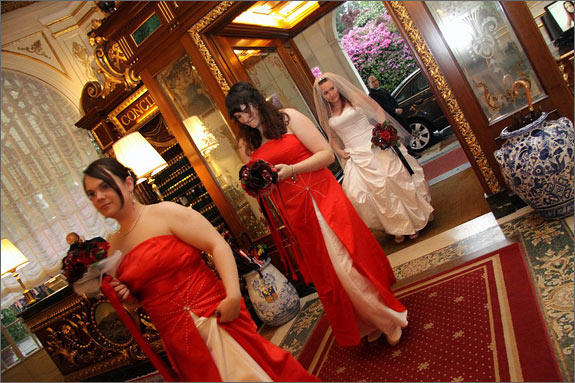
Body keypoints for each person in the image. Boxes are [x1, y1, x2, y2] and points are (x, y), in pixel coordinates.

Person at [82, 157, 316, 382]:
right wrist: (129, 297)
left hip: (212, 316)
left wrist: (233, 296)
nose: (99, 197)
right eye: (92, 194)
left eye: (105, 186)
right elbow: (137, 302)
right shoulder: (112, 247)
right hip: (177, 338)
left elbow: (217, 245)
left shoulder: (165, 213)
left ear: (128, 182)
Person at [226, 82, 408, 347]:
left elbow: (326, 155)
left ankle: (387, 317)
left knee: (347, 261)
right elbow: (264, 184)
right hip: (295, 211)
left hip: (322, 196)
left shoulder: (287, 118)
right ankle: (366, 320)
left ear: (257, 101)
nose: (246, 117)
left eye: (248, 108)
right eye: (239, 115)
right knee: (329, 273)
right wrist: (259, 189)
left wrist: (292, 169)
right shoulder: (246, 143)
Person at [313, 72, 434, 244]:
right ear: (322, 96)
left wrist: (383, 127)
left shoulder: (354, 98)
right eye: (326, 92)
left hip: (375, 145)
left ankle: (412, 222)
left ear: (337, 86)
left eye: (332, 88)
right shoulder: (327, 115)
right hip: (355, 155)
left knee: (391, 180)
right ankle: (396, 228)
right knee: (363, 194)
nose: (331, 94)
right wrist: (340, 152)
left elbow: (377, 109)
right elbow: (332, 139)